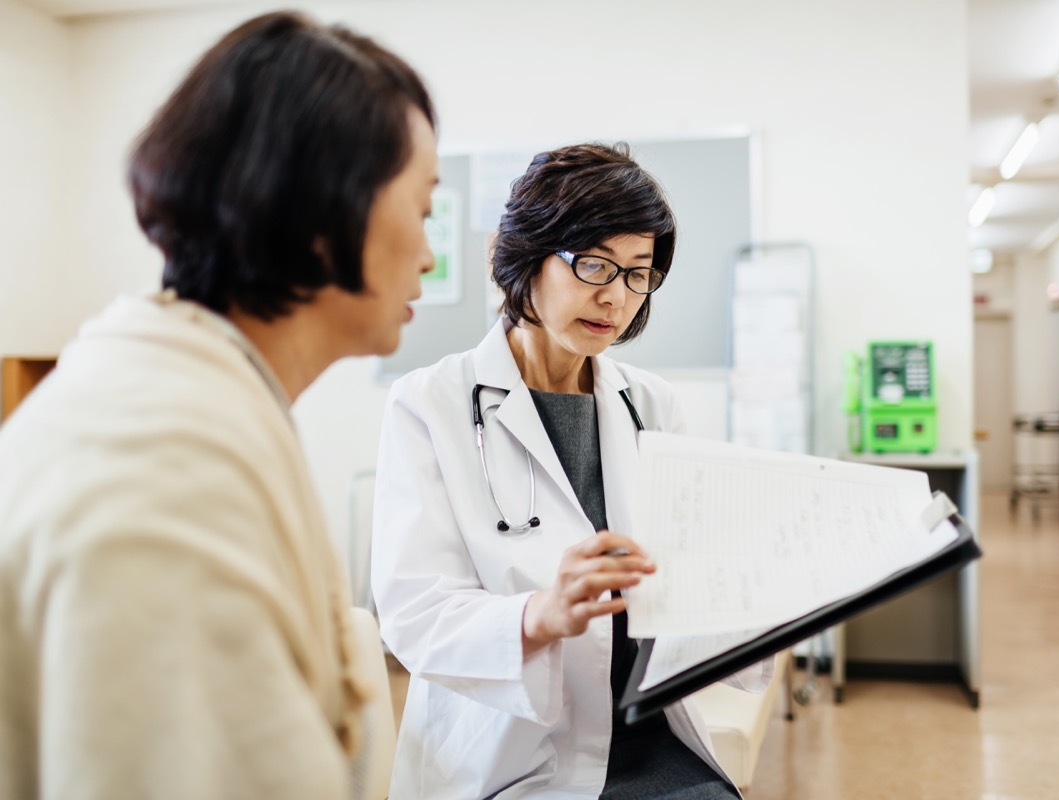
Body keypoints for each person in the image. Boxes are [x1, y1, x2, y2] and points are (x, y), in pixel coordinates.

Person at [0, 12, 437, 799]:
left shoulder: (190, 397)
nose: (431, 255)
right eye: (425, 207)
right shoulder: (165, 475)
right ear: (323, 212)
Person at [372, 143, 772, 799]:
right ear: (527, 256)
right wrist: (540, 614)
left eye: (638, 273)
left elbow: (685, 585)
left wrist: (770, 595)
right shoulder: (429, 404)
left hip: (647, 736)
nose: (616, 297)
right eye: (594, 264)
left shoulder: (650, 405)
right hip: (508, 753)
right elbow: (416, 613)